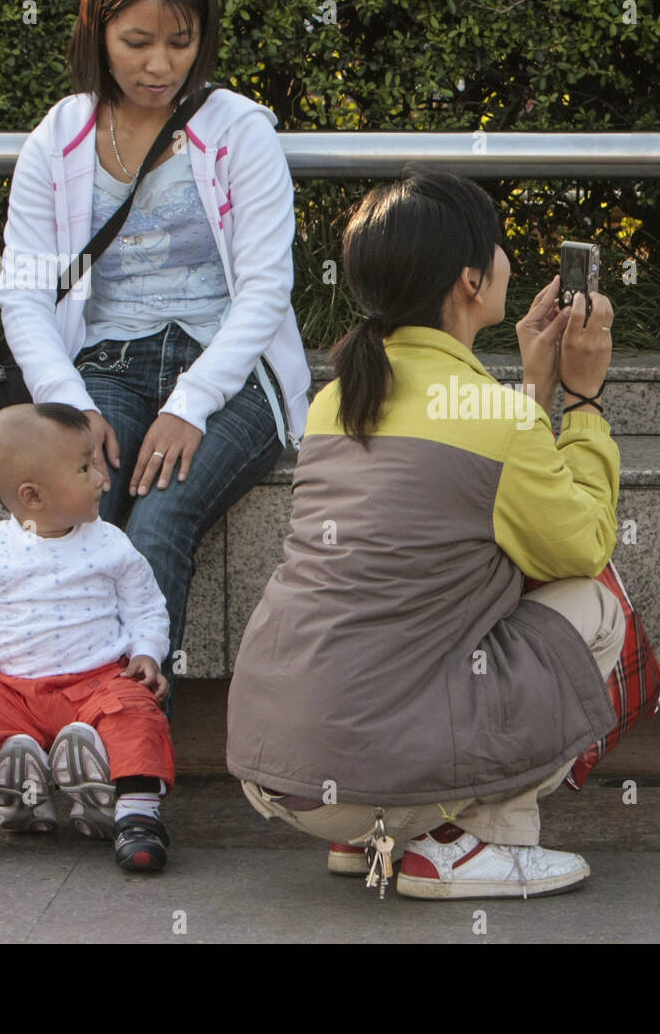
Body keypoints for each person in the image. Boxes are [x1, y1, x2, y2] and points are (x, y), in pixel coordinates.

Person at [227, 171, 626, 900]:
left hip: (278, 771)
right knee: (594, 604)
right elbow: (584, 543)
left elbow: (453, 495)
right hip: (369, 768)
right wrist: (588, 401)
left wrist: (533, 389)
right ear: (472, 281)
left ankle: (374, 835)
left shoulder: (334, 398)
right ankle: (469, 846)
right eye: (500, 249)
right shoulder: (495, 419)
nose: (510, 260)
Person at [0, 0, 309, 705]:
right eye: (136, 41)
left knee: (160, 521)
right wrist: (69, 406)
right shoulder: (57, 140)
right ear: (97, 33)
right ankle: (42, 718)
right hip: (105, 367)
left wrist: (191, 405)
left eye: (181, 41)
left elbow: (267, 290)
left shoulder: (239, 131)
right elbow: (24, 290)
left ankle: (127, 752)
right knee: (76, 511)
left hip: (232, 375)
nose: (160, 65)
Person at [0, 403, 176, 871]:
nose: (101, 479)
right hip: (11, 691)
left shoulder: (110, 543)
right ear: (32, 496)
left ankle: (137, 815)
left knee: (137, 711)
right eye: (85, 467)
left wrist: (147, 652)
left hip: (98, 683)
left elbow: (145, 605)